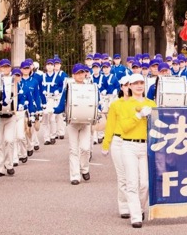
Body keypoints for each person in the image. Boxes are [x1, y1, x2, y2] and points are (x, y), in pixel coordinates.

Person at [114, 73, 156, 228]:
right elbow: (124, 127)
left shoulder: (151, 103)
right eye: (135, 83)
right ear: (129, 86)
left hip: (146, 145)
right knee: (132, 182)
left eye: (141, 83)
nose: (139, 86)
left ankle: (139, 207)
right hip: (129, 145)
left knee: (144, 183)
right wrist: (138, 115)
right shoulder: (124, 104)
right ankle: (136, 216)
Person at [53, 64, 96, 185]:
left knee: (85, 148)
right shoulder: (69, 87)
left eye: (82, 73)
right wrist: (54, 109)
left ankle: (84, 168)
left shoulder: (90, 87)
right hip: (72, 122)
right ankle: (75, 176)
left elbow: (95, 101)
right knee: (73, 149)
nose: (80, 75)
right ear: (73, 75)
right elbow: (62, 103)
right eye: (77, 73)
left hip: (86, 121)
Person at [102, 75, 132, 220]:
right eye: (125, 85)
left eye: (130, 84)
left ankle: (136, 204)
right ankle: (124, 206)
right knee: (123, 177)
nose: (128, 87)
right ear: (121, 87)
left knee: (135, 177)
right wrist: (106, 144)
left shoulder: (139, 102)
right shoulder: (115, 104)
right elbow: (110, 126)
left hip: (135, 142)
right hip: (119, 142)